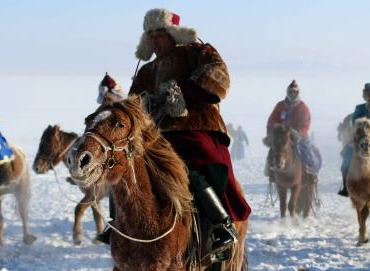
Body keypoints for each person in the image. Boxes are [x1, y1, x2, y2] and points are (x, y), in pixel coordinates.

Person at [98, 8, 251, 257]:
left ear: (173, 33)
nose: (156, 41)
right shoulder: (146, 72)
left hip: (195, 125)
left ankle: (221, 224)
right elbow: (133, 105)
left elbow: (219, 78)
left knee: (194, 163)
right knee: (124, 165)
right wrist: (144, 102)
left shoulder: (196, 53)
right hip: (156, 134)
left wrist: (182, 94)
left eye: (160, 34)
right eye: (152, 36)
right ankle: (118, 225)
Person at [264, 80, 320, 180]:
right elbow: (272, 120)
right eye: (291, 92)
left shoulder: (303, 106)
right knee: (273, 150)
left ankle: (310, 171)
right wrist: (271, 132)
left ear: (298, 93)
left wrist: (298, 132)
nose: (293, 94)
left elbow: (306, 122)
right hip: (282, 135)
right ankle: (271, 171)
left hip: (299, 135)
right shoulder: (280, 105)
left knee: (305, 152)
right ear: (287, 93)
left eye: (295, 92)